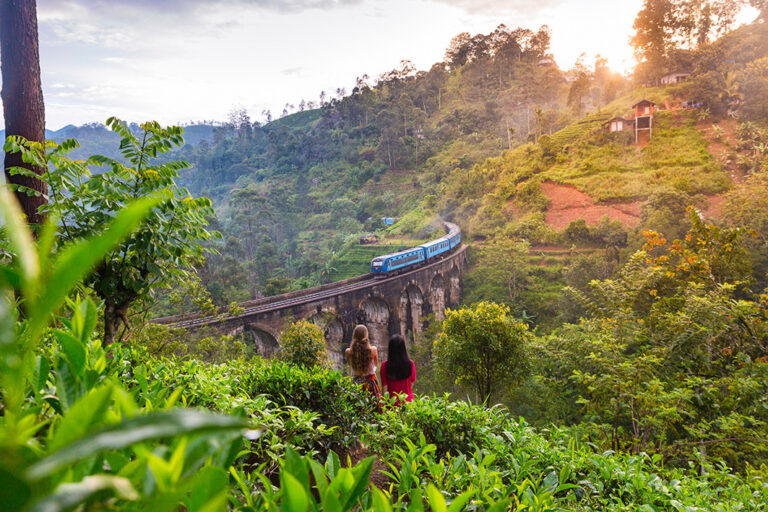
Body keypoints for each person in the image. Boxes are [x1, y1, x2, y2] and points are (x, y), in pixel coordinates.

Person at [345, 324, 381, 401]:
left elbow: (350, 364)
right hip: (370, 383)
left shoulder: (348, 352)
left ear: (354, 335)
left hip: (356, 383)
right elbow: (375, 364)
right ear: (366, 335)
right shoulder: (373, 350)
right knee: (374, 408)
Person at [380, 334, 416, 405]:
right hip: (408, 403)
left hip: (392, 403)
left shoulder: (385, 366)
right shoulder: (410, 364)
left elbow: (385, 389)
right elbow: (412, 382)